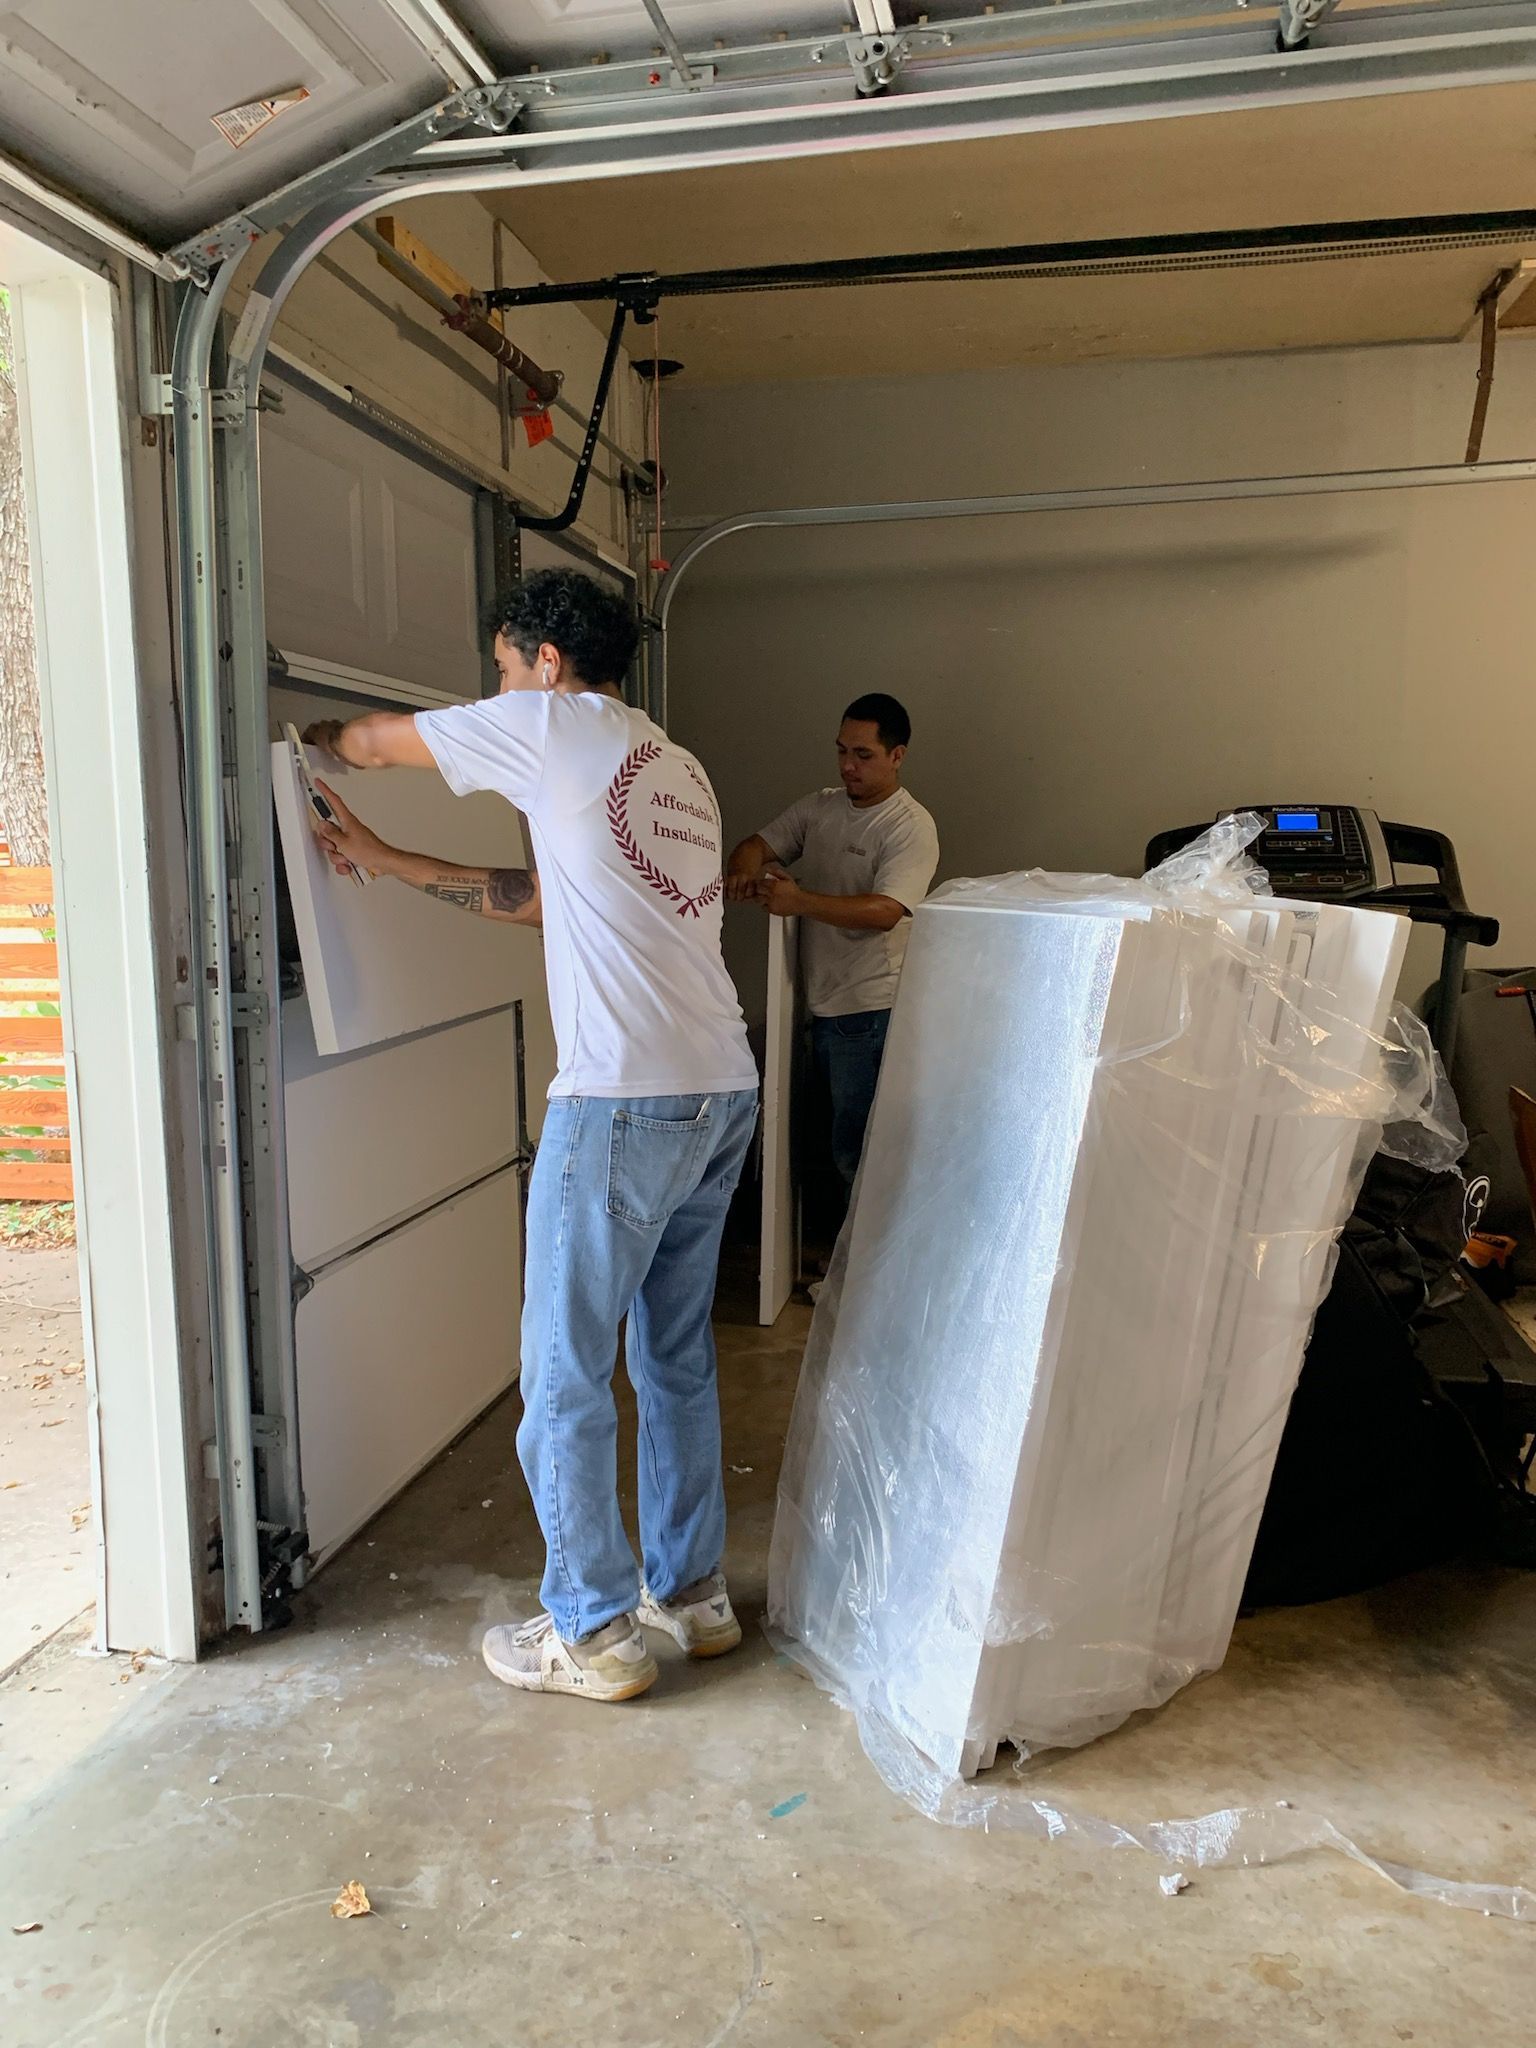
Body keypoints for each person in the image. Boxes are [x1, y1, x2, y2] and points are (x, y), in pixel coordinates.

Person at [303, 569, 758, 1707]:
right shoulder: (672, 766)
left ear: (545, 663)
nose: (495, 689)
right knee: (671, 1354)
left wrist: (290, 735)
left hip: (619, 1099)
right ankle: (691, 1595)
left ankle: (593, 1631)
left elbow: (363, 739)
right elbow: (554, 895)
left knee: (562, 1371)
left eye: (502, 665)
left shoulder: (546, 724)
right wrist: (400, 863)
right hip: (719, 1086)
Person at [726, 693, 939, 1194]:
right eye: (842, 751)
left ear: (897, 756)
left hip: (868, 1012)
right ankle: (847, 1263)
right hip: (818, 1008)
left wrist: (798, 902)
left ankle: (863, 1269)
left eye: (863, 755)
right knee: (833, 1147)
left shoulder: (909, 826)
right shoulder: (820, 807)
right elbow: (757, 845)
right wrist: (742, 871)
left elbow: (887, 911)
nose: (848, 765)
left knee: (859, 1153)